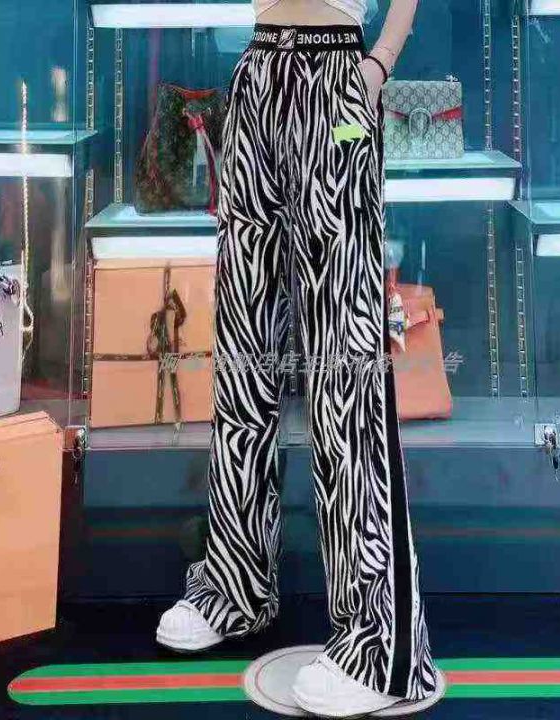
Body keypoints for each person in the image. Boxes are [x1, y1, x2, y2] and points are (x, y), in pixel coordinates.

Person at [156, 0, 441, 714]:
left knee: (345, 363)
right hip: (257, 78)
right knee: (244, 346)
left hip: (338, 81)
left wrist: (379, 64)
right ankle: (235, 586)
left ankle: (379, 640)